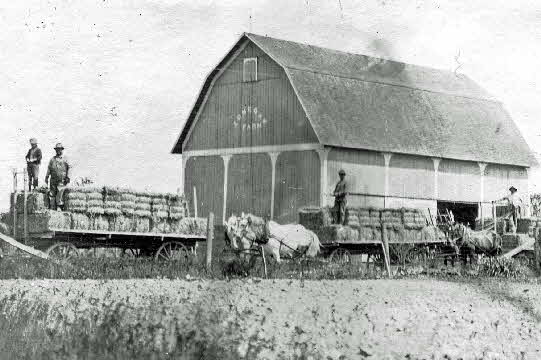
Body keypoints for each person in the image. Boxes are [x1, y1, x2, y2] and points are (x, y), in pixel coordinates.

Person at [45, 143, 71, 210]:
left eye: (59, 149)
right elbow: (49, 168)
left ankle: (59, 206)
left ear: (62, 150)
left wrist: (68, 177)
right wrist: (47, 177)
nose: (58, 151)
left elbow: (70, 168)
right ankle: (52, 207)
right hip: (53, 179)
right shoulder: (52, 159)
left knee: (60, 192)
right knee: (52, 193)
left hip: (62, 179)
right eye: (57, 149)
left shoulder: (65, 159)